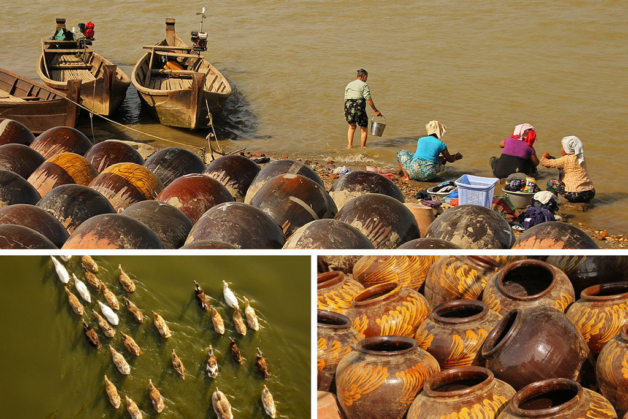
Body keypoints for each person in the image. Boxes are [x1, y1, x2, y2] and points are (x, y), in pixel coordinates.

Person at [397, 120, 463, 181]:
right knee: (437, 159)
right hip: (428, 175)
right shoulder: (441, 144)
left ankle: (406, 176)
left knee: (401, 153)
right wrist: (456, 157)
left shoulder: (421, 140)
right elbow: (450, 160)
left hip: (413, 171)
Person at [540, 136, 595, 202]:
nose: (561, 149)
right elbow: (563, 164)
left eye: (562, 147)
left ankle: (552, 203)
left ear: (566, 149)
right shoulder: (581, 158)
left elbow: (545, 163)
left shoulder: (565, 159)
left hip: (575, 194)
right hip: (590, 192)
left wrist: (545, 156)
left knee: (551, 182)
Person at [344, 69, 382, 149]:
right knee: (364, 129)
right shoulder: (364, 85)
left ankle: (349, 145)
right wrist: (376, 110)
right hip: (358, 108)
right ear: (364, 77)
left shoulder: (349, 84)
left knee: (351, 127)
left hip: (348, 107)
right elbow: (368, 99)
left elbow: (345, 99)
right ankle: (362, 148)